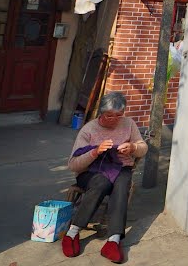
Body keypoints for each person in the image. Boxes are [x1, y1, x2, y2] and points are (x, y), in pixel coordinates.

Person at [62, 91, 147, 262]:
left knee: (121, 184)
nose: (114, 119)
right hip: (91, 172)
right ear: (101, 112)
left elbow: (142, 147)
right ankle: (73, 232)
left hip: (121, 167)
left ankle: (113, 241)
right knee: (102, 182)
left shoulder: (128, 123)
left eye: (118, 115)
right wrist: (95, 152)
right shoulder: (89, 129)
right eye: (109, 115)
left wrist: (132, 147)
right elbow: (73, 164)